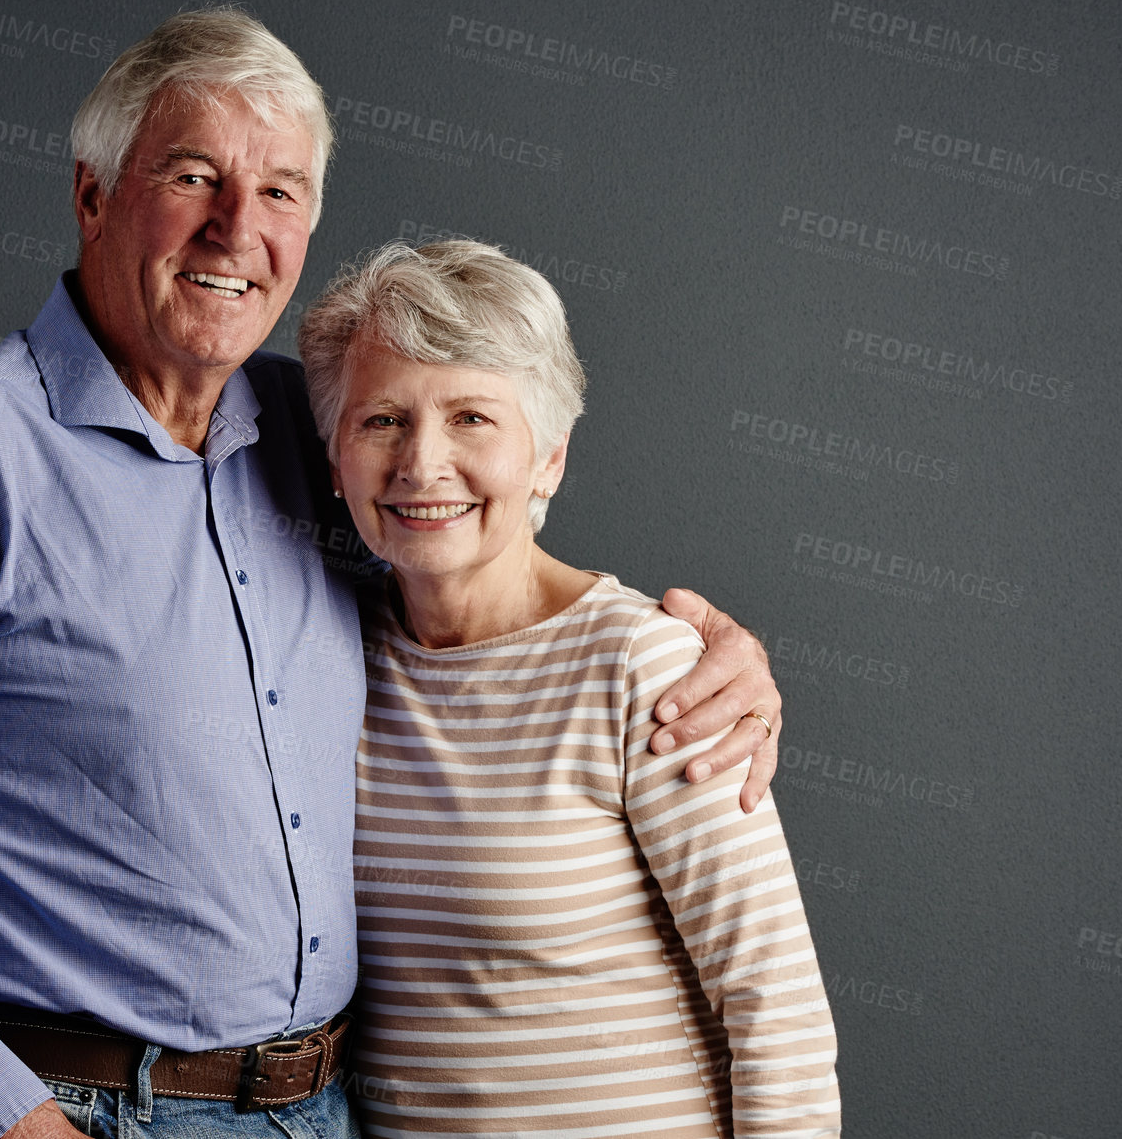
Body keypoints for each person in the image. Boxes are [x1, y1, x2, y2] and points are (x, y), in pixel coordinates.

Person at [0, 9, 785, 1139]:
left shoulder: (308, 426)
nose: (237, 229)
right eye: (192, 176)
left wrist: (704, 654)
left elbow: (480, 569)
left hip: (321, 1110)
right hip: (76, 1111)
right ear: (92, 194)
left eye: (279, 192)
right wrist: (14, 1123)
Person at [298, 239, 839, 1137]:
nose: (422, 463)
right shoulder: (321, 656)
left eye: (472, 417)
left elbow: (773, 1004)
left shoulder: (644, 666)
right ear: (334, 458)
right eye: (381, 420)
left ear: (548, 456)